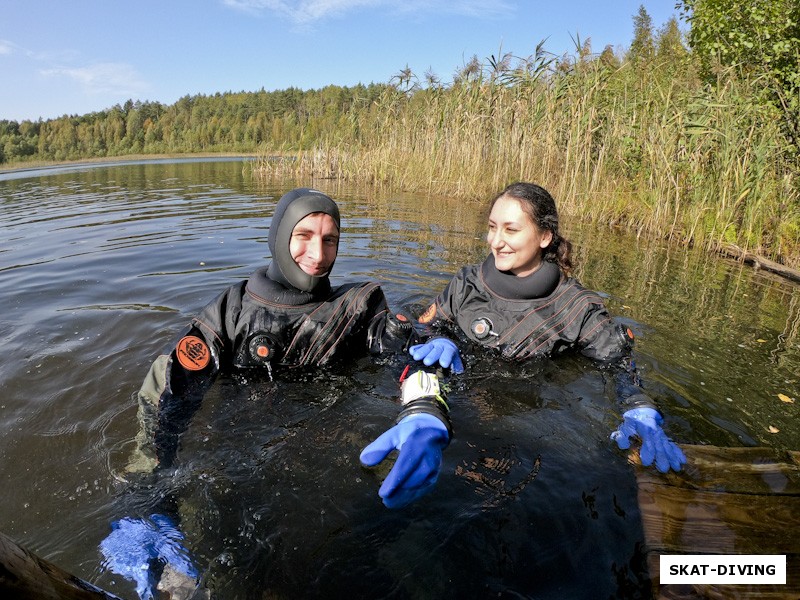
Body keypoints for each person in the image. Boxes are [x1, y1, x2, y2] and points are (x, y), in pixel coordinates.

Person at [105, 188, 457, 599]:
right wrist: (143, 493)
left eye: (330, 240)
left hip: (328, 457)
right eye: (304, 235)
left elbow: (410, 355)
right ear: (279, 235)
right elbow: (171, 392)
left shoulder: (359, 306)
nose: (318, 253)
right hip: (240, 462)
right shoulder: (230, 311)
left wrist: (426, 407)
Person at [408, 182, 686, 474]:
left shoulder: (576, 307)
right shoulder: (466, 283)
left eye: (511, 230)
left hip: (527, 424)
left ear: (544, 236)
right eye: (492, 227)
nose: (495, 241)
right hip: (455, 411)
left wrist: (638, 404)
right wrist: (438, 337)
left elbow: (618, 364)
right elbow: (426, 325)